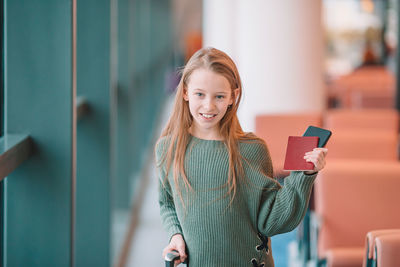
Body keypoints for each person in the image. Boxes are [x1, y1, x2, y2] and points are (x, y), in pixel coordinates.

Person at [155, 47, 327, 267]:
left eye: (219, 96)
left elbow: (272, 220)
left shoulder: (251, 150)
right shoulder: (168, 148)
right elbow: (167, 202)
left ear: (232, 97)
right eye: (200, 94)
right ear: (186, 92)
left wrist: (305, 174)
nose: (208, 105)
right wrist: (175, 235)